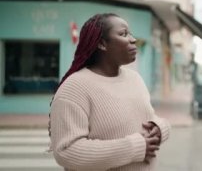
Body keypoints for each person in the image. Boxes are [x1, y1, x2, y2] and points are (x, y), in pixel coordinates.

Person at [49, 13, 170, 171]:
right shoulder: (74, 88)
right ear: (102, 44)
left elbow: (148, 117)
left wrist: (160, 128)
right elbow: (67, 151)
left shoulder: (135, 79)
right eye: (123, 34)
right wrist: (135, 147)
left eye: (130, 33)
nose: (133, 39)